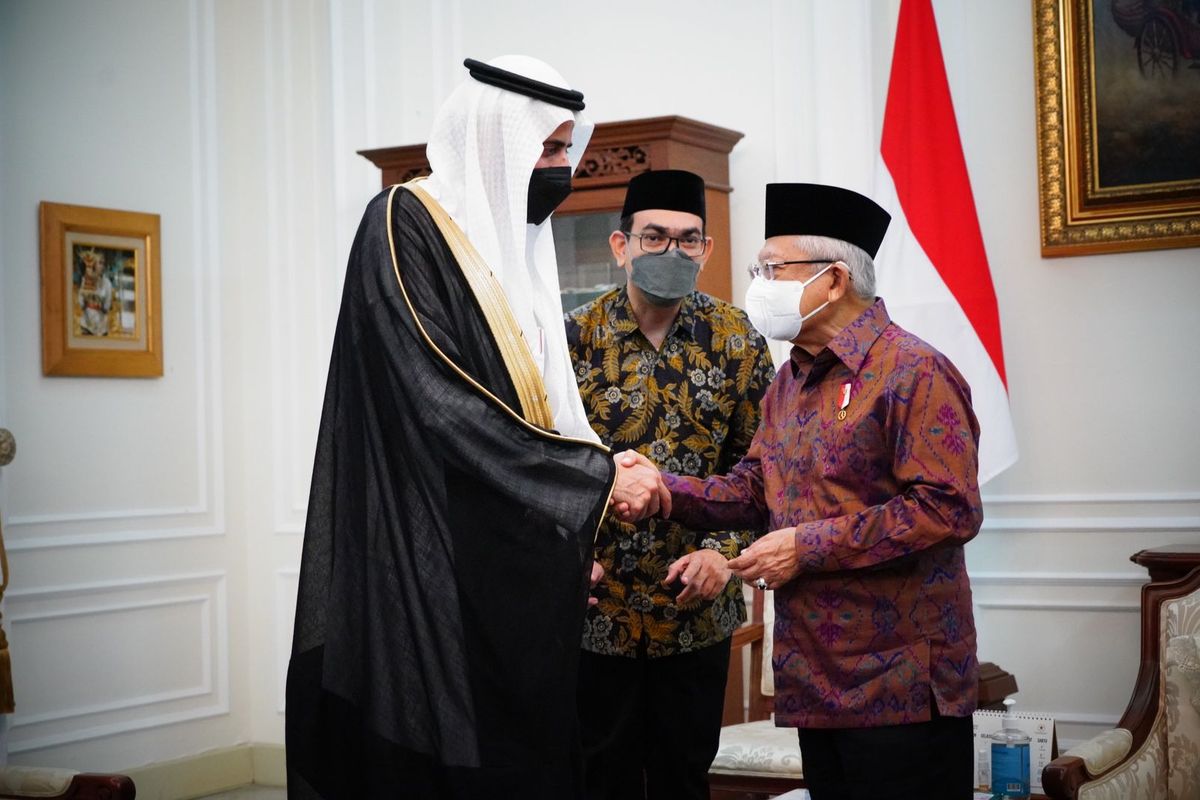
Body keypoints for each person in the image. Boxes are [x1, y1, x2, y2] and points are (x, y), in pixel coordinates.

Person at [285, 55, 668, 800]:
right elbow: (434, 393)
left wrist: (578, 505)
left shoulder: (519, 245)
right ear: (498, 140)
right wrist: (594, 480)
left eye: (566, 147)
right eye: (551, 149)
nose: (564, 166)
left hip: (512, 549)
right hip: (430, 542)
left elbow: (546, 400)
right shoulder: (403, 221)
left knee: (528, 754)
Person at [637, 183, 984, 800]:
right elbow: (753, 487)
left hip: (898, 683)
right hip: (816, 680)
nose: (759, 283)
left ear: (833, 280)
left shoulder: (912, 371)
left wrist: (805, 547)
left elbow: (947, 506)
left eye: (772, 269)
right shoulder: (792, 379)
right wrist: (663, 489)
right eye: (758, 270)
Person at [565, 170, 775, 799]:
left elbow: (764, 473)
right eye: (654, 237)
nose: (671, 252)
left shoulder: (738, 341)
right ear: (620, 245)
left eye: (688, 240)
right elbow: (537, 469)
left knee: (685, 778)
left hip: (696, 612)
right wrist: (561, 561)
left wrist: (726, 556)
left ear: (706, 250)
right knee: (599, 780)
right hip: (595, 611)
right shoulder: (572, 339)